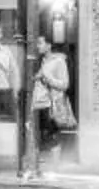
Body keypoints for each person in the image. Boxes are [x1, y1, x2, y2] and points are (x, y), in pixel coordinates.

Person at [32, 41, 75, 172]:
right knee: (37, 135)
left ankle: (55, 168)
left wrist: (47, 78)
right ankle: (37, 167)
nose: (37, 46)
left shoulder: (59, 61)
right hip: (38, 102)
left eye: (40, 43)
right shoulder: (38, 60)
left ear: (49, 45)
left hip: (50, 103)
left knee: (52, 135)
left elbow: (64, 84)